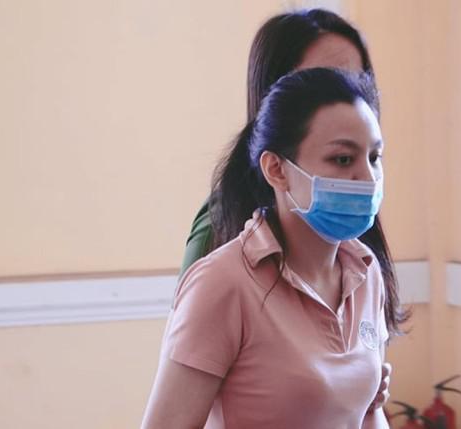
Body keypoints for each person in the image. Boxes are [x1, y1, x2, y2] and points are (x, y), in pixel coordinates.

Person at [175, 6, 409, 419]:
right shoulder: (221, 263)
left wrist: (359, 388)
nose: (343, 94)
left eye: (356, 80)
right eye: (321, 79)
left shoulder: (361, 262)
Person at [142, 67, 394, 428]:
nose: (368, 178)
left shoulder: (366, 273)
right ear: (276, 169)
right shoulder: (222, 283)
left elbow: (368, 414)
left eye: (374, 157)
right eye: (342, 159)